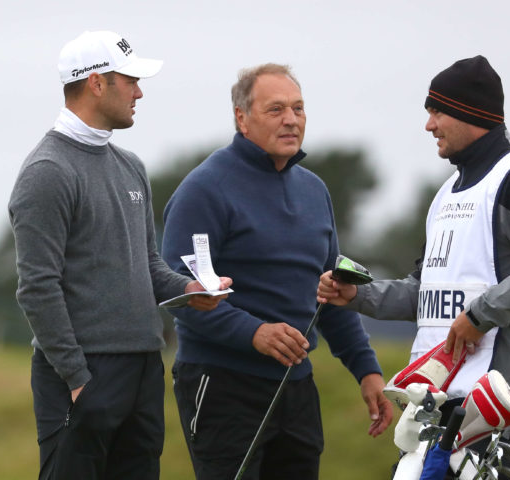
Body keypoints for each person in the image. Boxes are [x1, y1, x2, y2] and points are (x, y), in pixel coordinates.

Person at [317, 55, 510, 480]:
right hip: (441, 397)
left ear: (470, 113)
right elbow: (426, 291)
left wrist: (481, 316)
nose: (429, 125)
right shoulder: (446, 193)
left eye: (437, 111)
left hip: (505, 398)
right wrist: (358, 295)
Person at [8, 30, 231, 480]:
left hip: (143, 369)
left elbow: (146, 265)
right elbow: (37, 288)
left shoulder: (130, 166)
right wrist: (75, 379)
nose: (139, 91)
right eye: (130, 80)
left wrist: (189, 289)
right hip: (83, 373)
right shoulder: (47, 171)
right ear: (96, 83)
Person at [161, 63, 393, 480]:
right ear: (241, 118)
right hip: (222, 384)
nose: (291, 119)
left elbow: (332, 292)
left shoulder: (314, 190)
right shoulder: (204, 189)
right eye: (276, 109)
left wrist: (367, 370)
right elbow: (182, 295)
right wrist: (256, 332)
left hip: (296, 387)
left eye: (299, 108)